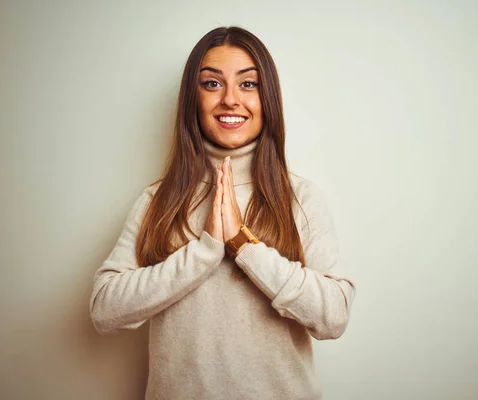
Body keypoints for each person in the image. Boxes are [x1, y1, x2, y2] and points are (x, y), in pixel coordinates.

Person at [89, 26, 356, 400]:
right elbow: (104, 309)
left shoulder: (301, 198)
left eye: (248, 84)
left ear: (268, 99)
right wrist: (204, 251)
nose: (231, 99)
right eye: (212, 84)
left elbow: (333, 317)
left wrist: (243, 245)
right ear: (192, 100)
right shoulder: (157, 200)